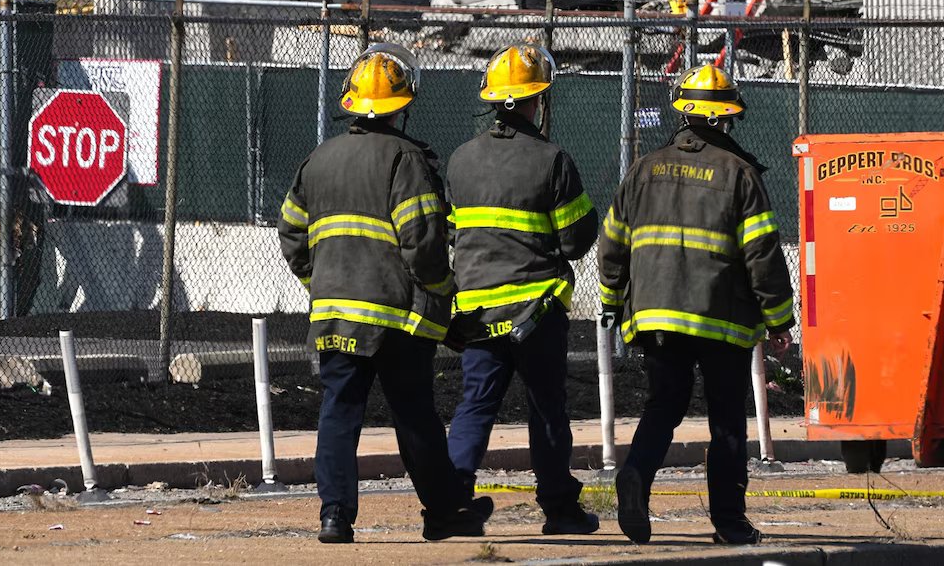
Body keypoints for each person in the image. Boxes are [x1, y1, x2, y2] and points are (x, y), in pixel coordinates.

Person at [278, 42, 492, 545]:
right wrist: (443, 299)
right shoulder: (406, 159)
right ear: (402, 105)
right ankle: (442, 513)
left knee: (339, 413)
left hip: (333, 316)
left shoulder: (319, 158)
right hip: (396, 319)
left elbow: (291, 234)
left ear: (352, 102)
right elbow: (422, 242)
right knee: (414, 415)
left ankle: (334, 517)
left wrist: (322, 283)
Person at [597, 63, 796, 546]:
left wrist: (610, 300)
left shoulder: (644, 168)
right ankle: (729, 522)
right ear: (727, 118)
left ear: (684, 113)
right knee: (726, 419)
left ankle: (635, 476)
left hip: (655, 315)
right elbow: (762, 253)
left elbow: (612, 243)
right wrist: (779, 319)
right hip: (720, 317)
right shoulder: (740, 173)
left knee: (663, 405)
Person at [445, 43, 601, 535]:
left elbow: (453, 234)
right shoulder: (551, 160)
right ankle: (559, 509)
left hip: (475, 311)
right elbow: (576, 241)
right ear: (538, 100)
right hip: (536, 310)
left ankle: (451, 500)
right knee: (546, 408)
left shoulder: (460, 160)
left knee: (474, 404)